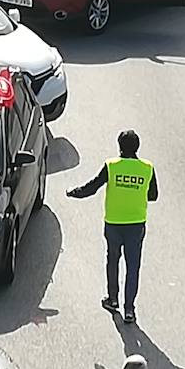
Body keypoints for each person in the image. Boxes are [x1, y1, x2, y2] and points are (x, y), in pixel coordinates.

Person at [66, 129, 158, 325]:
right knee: (133, 267)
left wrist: (74, 192)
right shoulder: (147, 168)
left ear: (119, 146)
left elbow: (92, 187)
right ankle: (130, 310)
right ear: (137, 147)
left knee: (113, 261)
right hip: (136, 224)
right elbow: (153, 196)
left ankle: (112, 299)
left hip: (113, 224)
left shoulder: (111, 166)